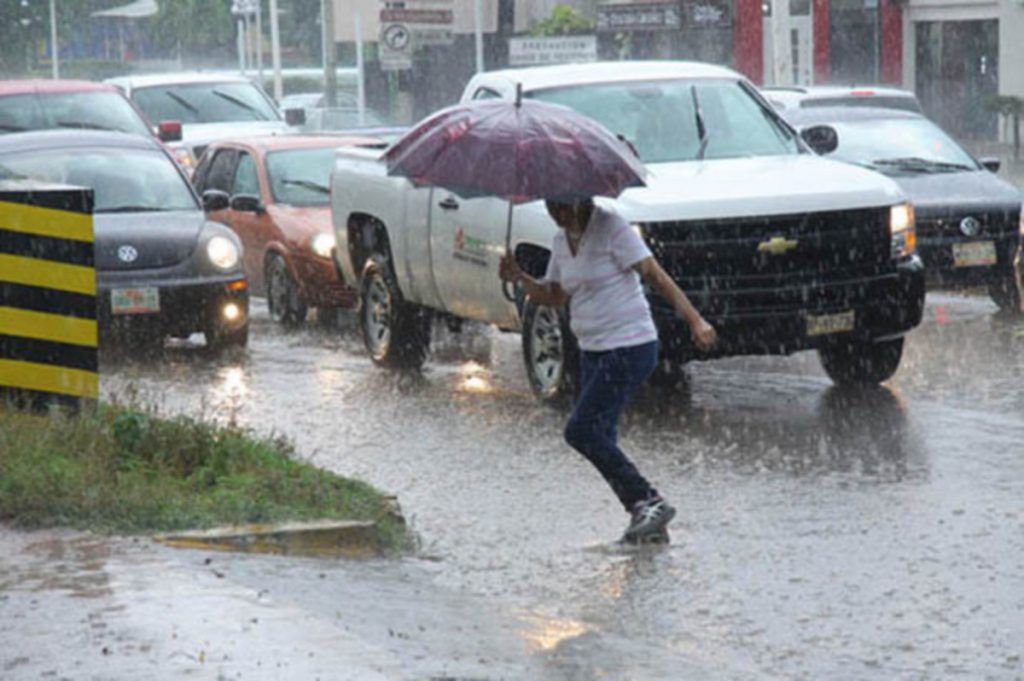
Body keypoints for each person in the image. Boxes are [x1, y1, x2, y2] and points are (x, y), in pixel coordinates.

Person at [499, 197, 717, 543]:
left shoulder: (611, 227)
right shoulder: (560, 240)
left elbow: (655, 275)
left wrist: (695, 320)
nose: (557, 213)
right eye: (551, 206)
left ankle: (649, 500)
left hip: (630, 345)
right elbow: (555, 293)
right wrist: (520, 278)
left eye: (563, 205)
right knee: (603, 435)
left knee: (581, 431)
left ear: (581, 198)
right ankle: (646, 521)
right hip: (593, 349)